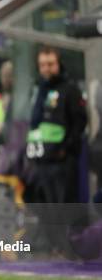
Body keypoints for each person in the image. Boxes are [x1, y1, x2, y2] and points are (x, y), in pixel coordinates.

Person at [27, 46, 87, 204]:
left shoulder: (69, 89)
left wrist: (66, 148)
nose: (46, 69)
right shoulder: (39, 90)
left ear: (59, 64)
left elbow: (79, 121)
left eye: (50, 64)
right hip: (42, 160)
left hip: (63, 161)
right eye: (42, 65)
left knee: (65, 206)